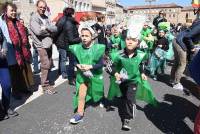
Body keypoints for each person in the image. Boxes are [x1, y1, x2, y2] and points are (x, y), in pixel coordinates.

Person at [105, 29, 157, 131]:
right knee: (124, 95)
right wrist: (115, 73)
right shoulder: (117, 54)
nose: (129, 41)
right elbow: (109, 66)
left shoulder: (141, 54)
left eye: (133, 40)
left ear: (138, 42)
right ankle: (125, 102)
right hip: (121, 80)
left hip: (133, 80)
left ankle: (127, 118)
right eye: (128, 39)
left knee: (129, 98)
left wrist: (142, 73)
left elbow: (141, 64)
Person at [69, 27, 105, 124]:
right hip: (82, 76)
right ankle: (79, 114)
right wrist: (78, 65)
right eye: (82, 35)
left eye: (87, 36)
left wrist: (90, 66)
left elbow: (101, 64)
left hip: (95, 74)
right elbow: (73, 61)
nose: (84, 38)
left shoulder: (98, 48)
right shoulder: (77, 48)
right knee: (81, 94)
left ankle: (101, 99)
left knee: (97, 90)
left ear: (92, 37)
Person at [0, 2, 34, 99]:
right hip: (10, 51)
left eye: (15, 10)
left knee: (21, 71)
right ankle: (15, 92)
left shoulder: (16, 21)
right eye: (12, 10)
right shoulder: (2, 21)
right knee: (13, 73)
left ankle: (22, 88)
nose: (14, 12)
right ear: (5, 11)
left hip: (21, 51)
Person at [30, 0, 57, 94]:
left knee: (48, 64)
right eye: (41, 7)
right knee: (45, 65)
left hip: (49, 44)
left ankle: (47, 82)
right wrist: (49, 30)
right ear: (37, 7)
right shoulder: (34, 18)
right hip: (41, 45)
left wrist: (46, 28)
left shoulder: (46, 17)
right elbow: (38, 32)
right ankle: (45, 86)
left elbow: (55, 28)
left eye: (44, 7)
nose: (42, 8)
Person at [170, 18, 200, 90]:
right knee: (182, 64)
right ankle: (176, 83)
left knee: (177, 63)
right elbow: (188, 37)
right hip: (180, 43)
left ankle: (172, 79)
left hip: (177, 40)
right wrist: (192, 47)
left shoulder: (198, 22)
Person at [54, 7, 81, 80]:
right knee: (64, 59)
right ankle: (64, 74)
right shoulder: (68, 22)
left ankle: (61, 72)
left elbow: (57, 31)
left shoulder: (62, 19)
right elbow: (71, 38)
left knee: (62, 58)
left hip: (61, 42)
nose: (75, 15)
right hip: (63, 43)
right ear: (71, 14)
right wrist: (80, 38)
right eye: (74, 13)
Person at [0, 27, 18, 120]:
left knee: (7, 85)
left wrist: (4, 49)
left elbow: (3, 38)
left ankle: (6, 106)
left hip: (1, 60)